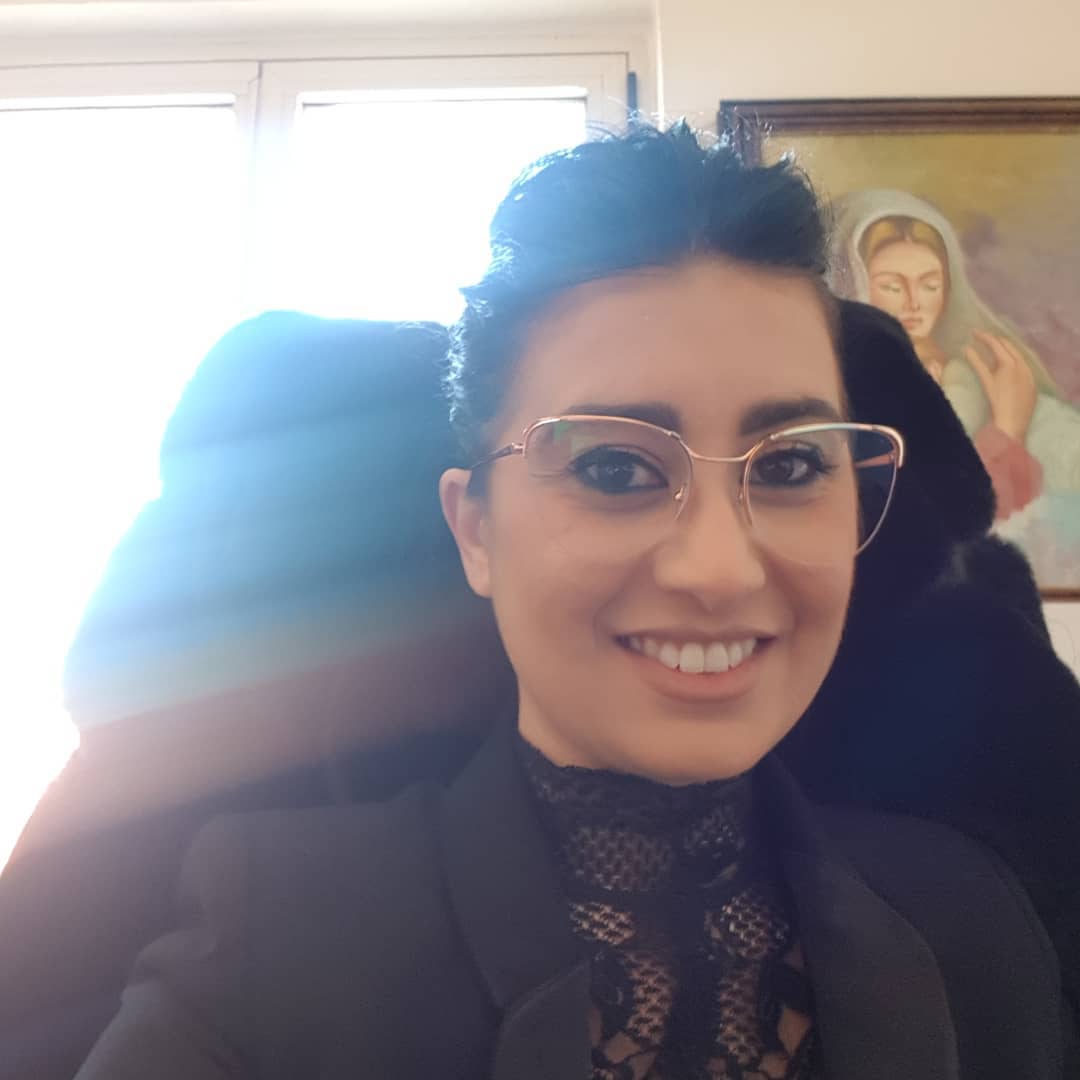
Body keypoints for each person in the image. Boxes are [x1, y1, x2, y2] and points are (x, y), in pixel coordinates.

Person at [74, 124, 1072, 1079]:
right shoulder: (279, 931)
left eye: (791, 465)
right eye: (613, 468)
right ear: (477, 531)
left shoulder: (972, 918)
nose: (719, 570)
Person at [829, 189, 1080, 525]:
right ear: (853, 285)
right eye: (892, 286)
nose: (914, 301)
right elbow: (931, 514)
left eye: (930, 285)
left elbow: (1058, 444)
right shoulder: (842, 388)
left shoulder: (977, 373)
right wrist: (1007, 430)